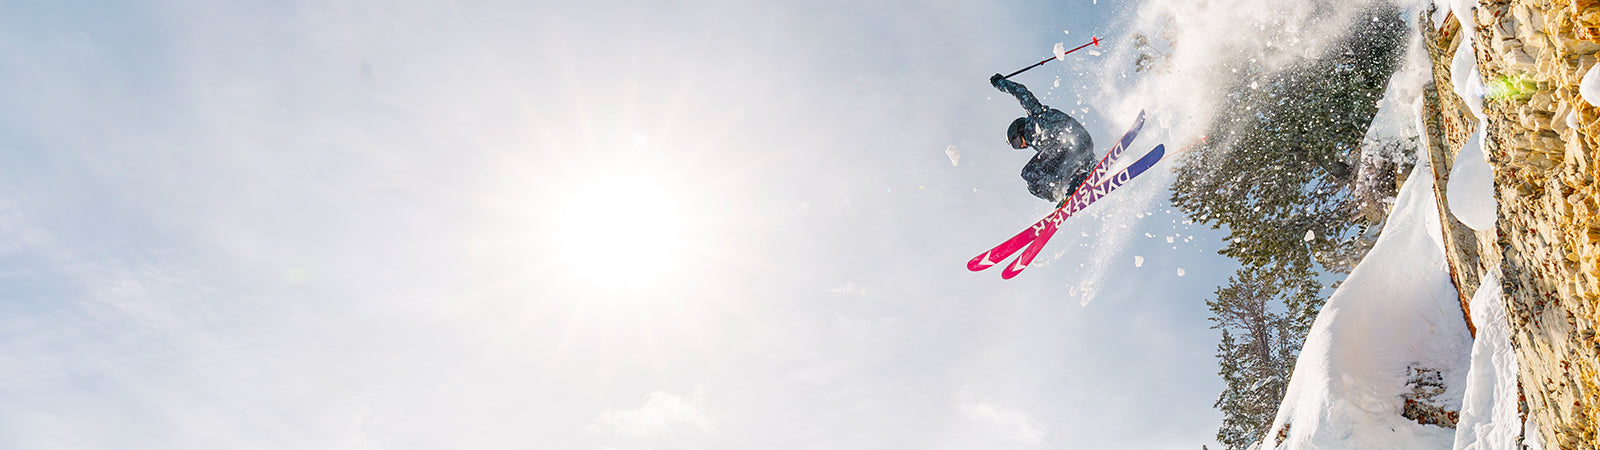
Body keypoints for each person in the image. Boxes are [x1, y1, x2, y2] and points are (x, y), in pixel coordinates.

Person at [990, 73, 1096, 203]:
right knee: (1038, 181)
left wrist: (1001, 83)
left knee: (1029, 173)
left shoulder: (1037, 117)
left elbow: (1020, 92)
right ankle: (1079, 178)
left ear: (1020, 130)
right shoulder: (1042, 146)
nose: (1022, 146)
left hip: (1072, 139)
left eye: (1017, 142)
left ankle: (1065, 189)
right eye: (1017, 147)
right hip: (1080, 151)